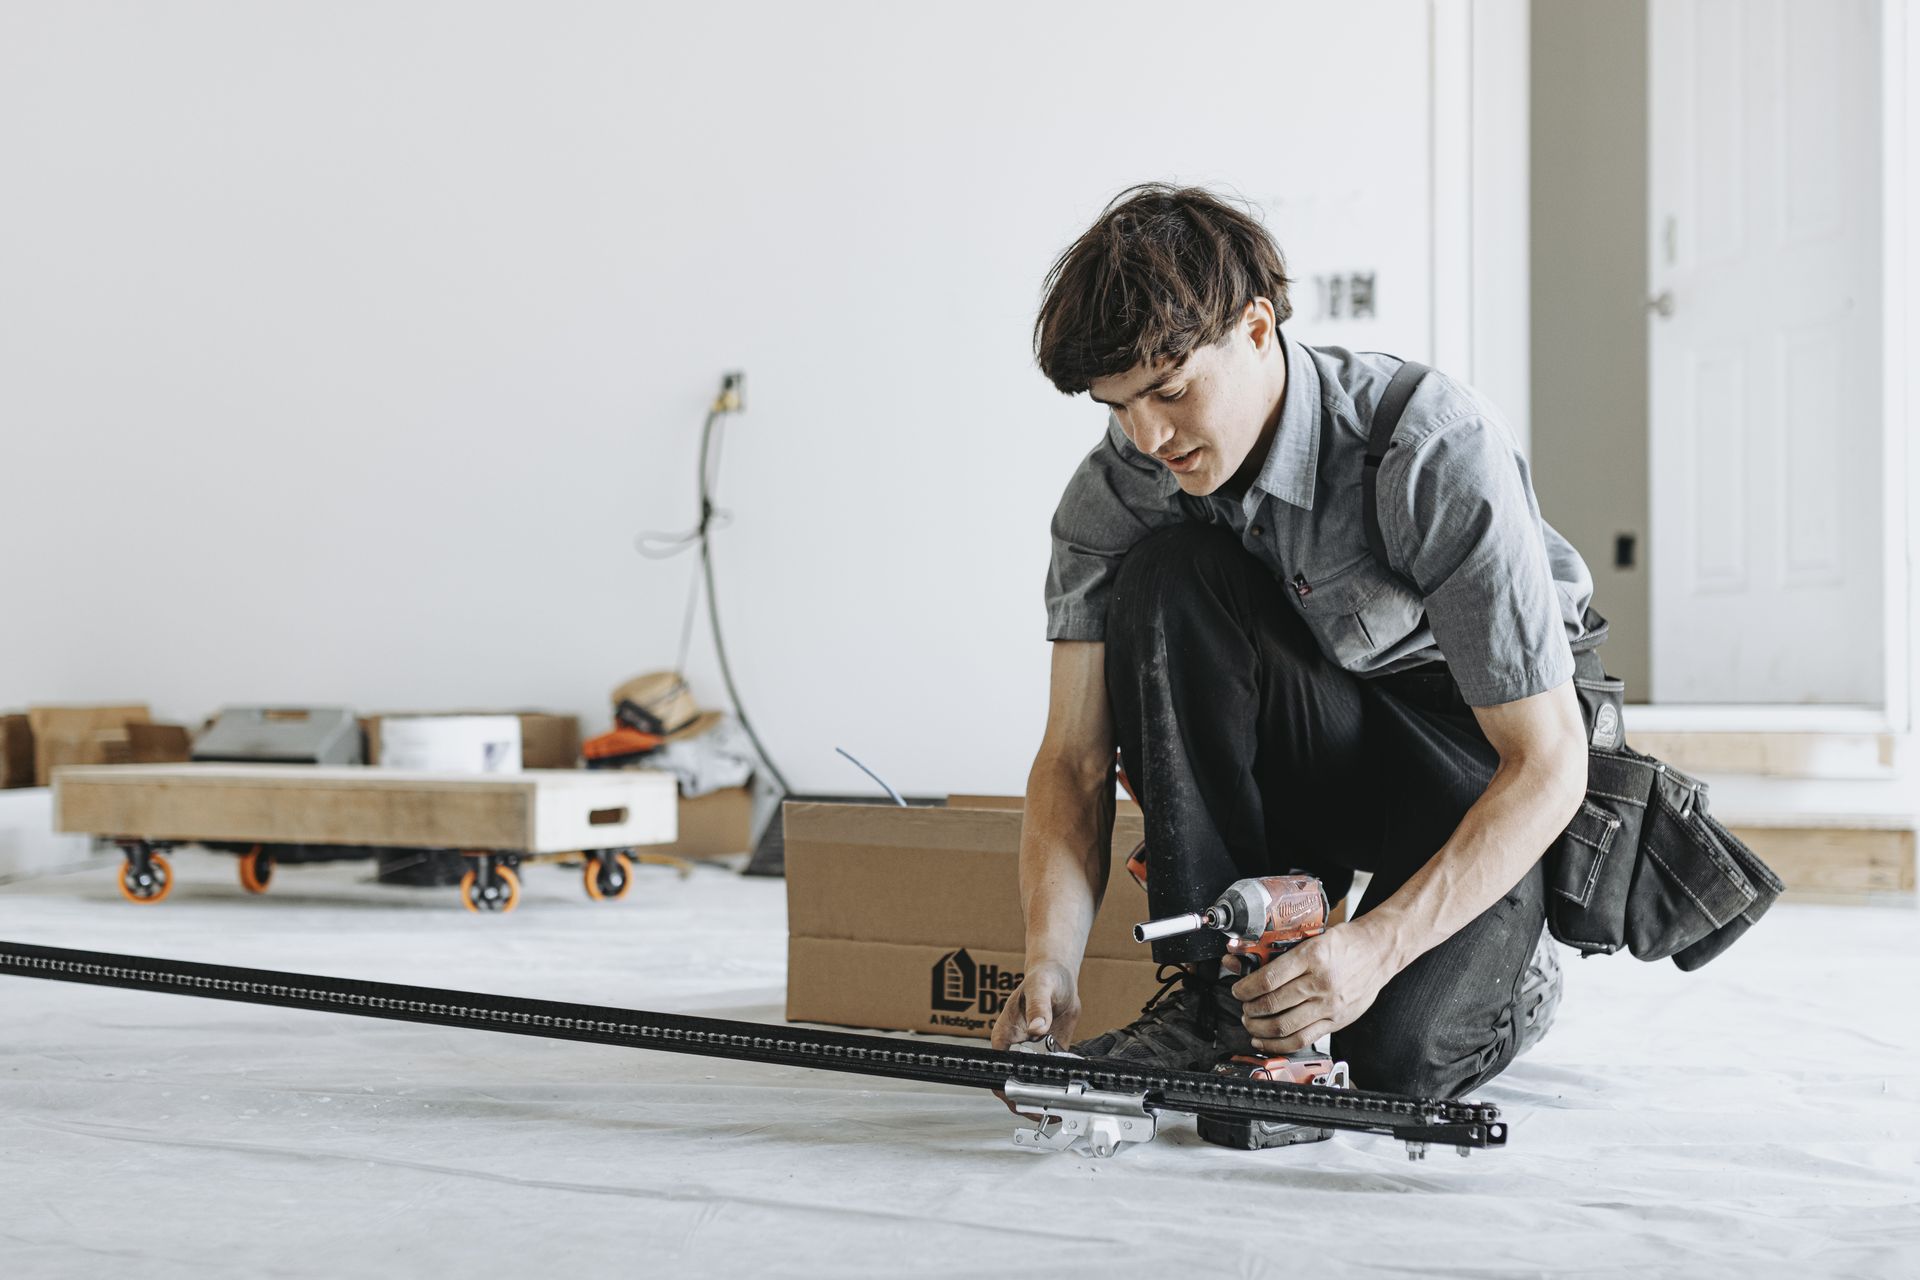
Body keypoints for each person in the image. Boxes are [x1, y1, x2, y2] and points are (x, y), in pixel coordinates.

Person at [989, 184, 1607, 1105]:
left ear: (1256, 327)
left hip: (1484, 757)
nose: (1148, 436)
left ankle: (1516, 976)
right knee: (1166, 577)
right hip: (1339, 735)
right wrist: (1050, 959)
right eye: (1117, 407)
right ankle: (1218, 992)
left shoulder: (1430, 447)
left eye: (1170, 390)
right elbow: (1073, 760)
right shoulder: (1118, 493)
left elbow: (1549, 763)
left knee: (1387, 1059)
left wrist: (1377, 948)